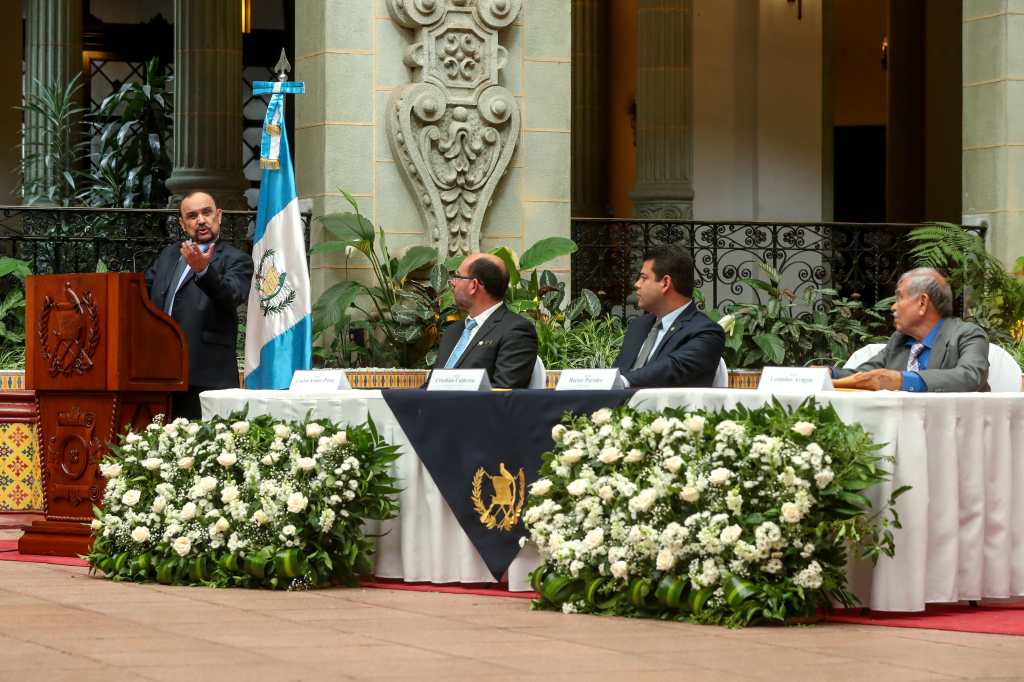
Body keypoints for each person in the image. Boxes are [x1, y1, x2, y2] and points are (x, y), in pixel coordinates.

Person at [146, 191, 254, 418]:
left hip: (206, 376)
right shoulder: (169, 255)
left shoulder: (236, 259)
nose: (201, 220)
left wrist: (204, 271)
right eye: (192, 216)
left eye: (207, 213)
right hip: (162, 373)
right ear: (183, 224)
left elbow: (231, 295)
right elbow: (143, 291)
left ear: (219, 216)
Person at [832, 267, 989, 392]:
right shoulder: (899, 340)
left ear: (922, 302)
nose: (893, 307)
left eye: (899, 297)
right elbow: (862, 375)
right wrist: (827, 374)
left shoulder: (967, 335)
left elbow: (970, 376)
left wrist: (902, 381)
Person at [612, 246, 725, 388]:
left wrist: (623, 381)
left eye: (644, 278)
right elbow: (617, 371)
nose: (637, 284)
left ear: (665, 283)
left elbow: (672, 368)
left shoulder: (706, 332)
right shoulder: (638, 326)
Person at [433, 253, 538, 388]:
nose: (452, 282)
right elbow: (431, 385)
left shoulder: (516, 331)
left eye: (457, 277)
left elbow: (503, 391)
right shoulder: (452, 332)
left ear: (473, 285)